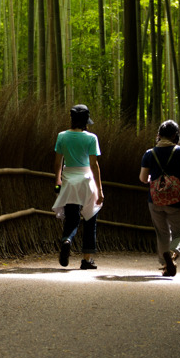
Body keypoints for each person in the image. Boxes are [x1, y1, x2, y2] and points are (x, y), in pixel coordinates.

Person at [138, 120, 180, 277]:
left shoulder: (149, 154)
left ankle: (166, 266)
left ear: (158, 135)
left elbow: (143, 179)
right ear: (175, 135)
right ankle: (172, 253)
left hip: (156, 200)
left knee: (162, 233)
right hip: (177, 200)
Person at [52, 104, 104, 269]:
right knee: (90, 218)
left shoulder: (62, 136)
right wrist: (100, 190)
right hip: (86, 180)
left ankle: (67, 239)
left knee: (72, 218)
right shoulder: (91, 138)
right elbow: (94, 166)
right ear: (86, 121)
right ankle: (86, 260)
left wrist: (57, 181)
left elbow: (57, 163)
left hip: (69, 180)